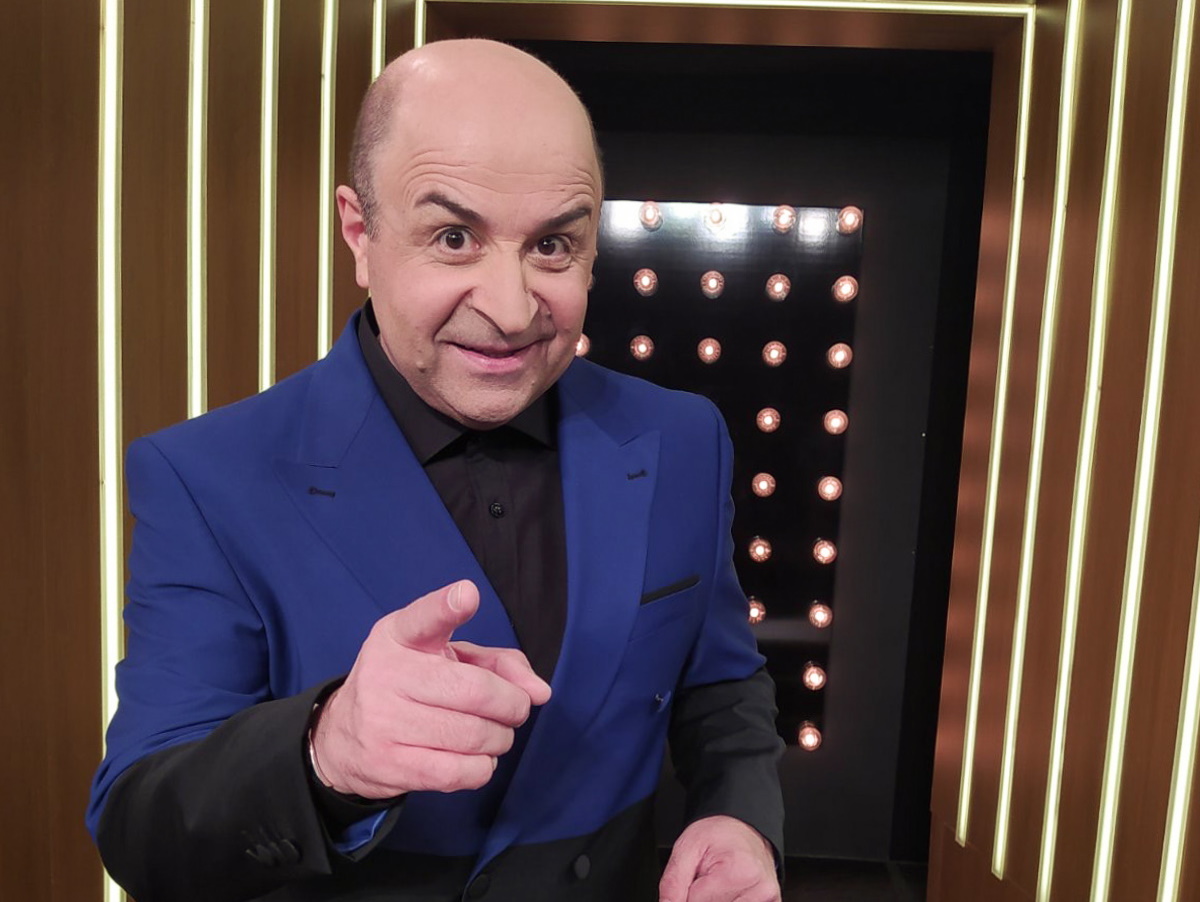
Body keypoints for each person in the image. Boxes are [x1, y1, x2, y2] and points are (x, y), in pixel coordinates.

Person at [87, 39, 784, 902]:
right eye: (454, 237)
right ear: (361, 233)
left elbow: (720, 683)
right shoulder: (207, 476)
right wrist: (326, 752)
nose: (512, 309)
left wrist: (738, 815)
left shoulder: (683, 437)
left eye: (554, 245)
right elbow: (140, 828)